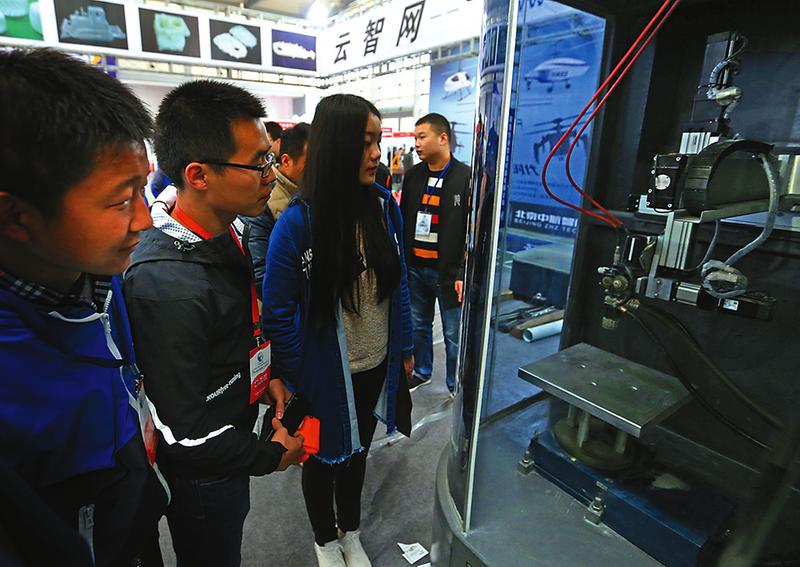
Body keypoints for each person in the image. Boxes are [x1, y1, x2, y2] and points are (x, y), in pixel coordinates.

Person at [123, 80, 305, 567]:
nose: (271, 174)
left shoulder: (228, 226)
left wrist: (263, 378)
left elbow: (227, 336)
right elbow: (182, 431)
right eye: (259, 163)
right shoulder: (167, 284)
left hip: (232, 431)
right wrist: (271, 455)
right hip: (204, 467)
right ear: (199, 175)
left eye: (271, 158)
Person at [0, 48, 166, 566]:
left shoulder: (97, 275)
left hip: (129, 513)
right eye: (120, 200)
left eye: (143, 189)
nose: (145, 219)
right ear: (15, 216)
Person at [263, 94, 414, 567]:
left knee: (358, 453)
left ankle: (351, 531)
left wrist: (406, 345)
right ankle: (324, 541)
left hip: (375, 364)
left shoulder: (384, 206)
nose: (376, 154)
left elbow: (400, 282)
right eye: (365, 142)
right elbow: (278, 310)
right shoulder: (298, 223)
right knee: (322, 458)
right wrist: (298, 373)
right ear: (336, 145)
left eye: (378, 141)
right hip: (325, 374)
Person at [401, 113, 471, 394]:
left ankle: (455, 382)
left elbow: (472, 230)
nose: (416, 144)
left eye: (422, 137)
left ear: (443, 138)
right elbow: (404, 219)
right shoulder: (413, 176)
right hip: (416, 267)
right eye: (415, 138)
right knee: (419, 325)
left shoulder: (465, 177)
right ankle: (422, 371)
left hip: (448, 272)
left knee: (453, 333)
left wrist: (462, 271)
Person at [245, 122, 310, 290]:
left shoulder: (311, 194)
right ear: (286, 160)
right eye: (310, 163)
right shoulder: (264, 199)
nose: (317, 170)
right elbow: (260, 272)